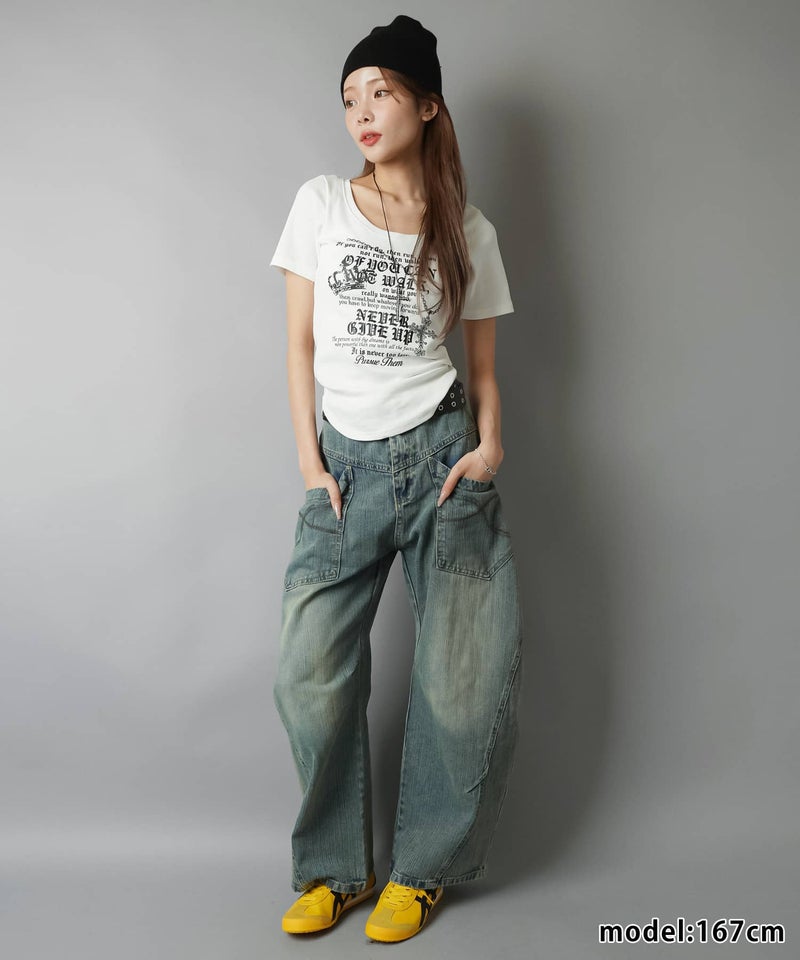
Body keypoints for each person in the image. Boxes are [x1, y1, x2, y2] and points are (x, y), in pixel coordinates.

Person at [269, 14, 523, 944]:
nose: (362, 112)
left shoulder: (469, 230)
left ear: (427, 105)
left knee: (463, 681)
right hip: (345, 467)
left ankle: (422, 872)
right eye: (350, 98)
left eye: (381, 91)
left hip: (443, 458)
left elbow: (484, 370)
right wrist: (311, 467)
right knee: (308, 674)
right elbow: (299, 348)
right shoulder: (320, 204)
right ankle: (336, 871)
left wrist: (489, 449)